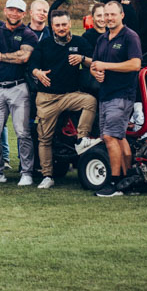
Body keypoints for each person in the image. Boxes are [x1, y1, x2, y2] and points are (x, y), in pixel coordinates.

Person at [29, 10, 101, 189]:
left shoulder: (80, 42)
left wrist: (82, 59)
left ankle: (82, 138)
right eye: (57, 25)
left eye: (64, 24)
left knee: (90, 101)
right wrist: (38, 73)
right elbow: (32, 65)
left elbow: (96, 61)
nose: (61, 28)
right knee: (44, 138)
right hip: (47, 98)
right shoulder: (44, 44)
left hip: (70, 95)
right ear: (52, 26)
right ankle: (47, 175)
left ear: (69, 24)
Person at [0, 0, 39, 186]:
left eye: (18, 11)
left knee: (22, 132)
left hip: (18, 87)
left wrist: (1, 57)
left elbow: (24, 56)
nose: (14, 13)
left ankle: (26, 172)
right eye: (11, 10)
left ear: (23, 14)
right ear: (5, 11)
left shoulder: (28, 33)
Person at [89, 1, 143, 197]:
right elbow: (94, 65)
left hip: (122, 95)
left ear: (122, 15)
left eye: (112, 14)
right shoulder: (102, 38)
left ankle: (113, 183)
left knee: (111, 137)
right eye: (106, 15)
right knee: (118, 138)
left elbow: (136, 64)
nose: (108, 18)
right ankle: (128, 181)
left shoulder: (130, 36)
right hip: (105, 95)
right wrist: (96, 73)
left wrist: (107, 66)